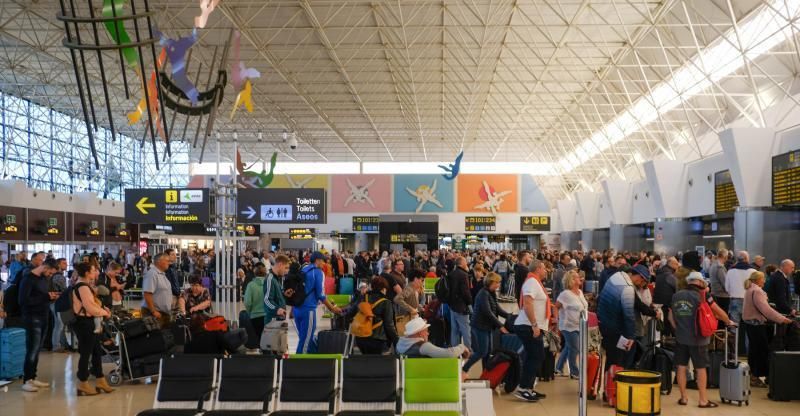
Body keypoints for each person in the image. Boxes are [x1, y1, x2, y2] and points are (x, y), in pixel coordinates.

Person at [669, 271, 735, 408]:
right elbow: (718, 311)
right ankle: (703, 400)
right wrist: (728, 321)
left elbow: (670, 317)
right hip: (698, 338)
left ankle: (683, 398)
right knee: (700, 368)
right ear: (699, 282)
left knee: (681, 367)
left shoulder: (676, 295)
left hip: (681, 337)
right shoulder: (703, 295)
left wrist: (679, 329)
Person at [742, 271, 793, 387]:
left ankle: (752, 376)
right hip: (757, 325)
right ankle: (756, 376)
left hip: (750, 324)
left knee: (754, 351)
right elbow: (766, 310)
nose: (764, 280)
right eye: (763, 278)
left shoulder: (749, 290)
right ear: (757, 280)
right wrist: (782, 319)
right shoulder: (757, 291)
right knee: (761, 351)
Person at [71, 262, 113, 396]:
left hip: (88, 321)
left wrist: (101, 309)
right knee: (86, 353)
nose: (96, 272)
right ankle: (82, 382)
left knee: (96, 351)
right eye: (94, 270)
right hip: (84, 323)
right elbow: (89, 307)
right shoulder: (82, 287)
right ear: (87, 273)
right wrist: (104, 313)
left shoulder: (85, 285)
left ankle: (100, 380)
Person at [597, 264, 650, 370]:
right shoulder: (628, 289)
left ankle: (608, 384)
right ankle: (615, 385)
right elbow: (629, 315)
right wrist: (631, 337)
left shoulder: (617, 276)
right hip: (616, 330)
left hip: (603, 324)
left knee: (610, 359)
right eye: (643, 282)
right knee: (618, 362)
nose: (641, 285)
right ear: (639, 277)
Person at [18, 258, 59, 392]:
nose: (50, 276)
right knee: (32, 350)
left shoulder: (43, 279)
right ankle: (27, 380)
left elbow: (41, 296)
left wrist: (49, 296)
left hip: (43, 316)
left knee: (37, 350)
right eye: (50, 273)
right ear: (45, 267)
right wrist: (46, 297)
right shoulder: (28, 279)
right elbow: (23, 301)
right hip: (32, 318)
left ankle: (32, 377)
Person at [513, 259, 550, 402]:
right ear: (537, 269)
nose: (546, 271)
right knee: (537, 356)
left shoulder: (535, 282)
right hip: (528, 326)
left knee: (533, 356)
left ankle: (527, 387)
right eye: (544, 268)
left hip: (531, 326)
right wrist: (534, 324)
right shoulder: (531, 282)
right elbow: (528, 303)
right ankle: (523, 388)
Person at [294, 252, 342, 353]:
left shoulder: (303, 269)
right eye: (322, 261)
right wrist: (332, 308)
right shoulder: (318, 272)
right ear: (317, 260)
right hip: (308, 310)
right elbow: (321, 295)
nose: (324, 263)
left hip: (297, 309)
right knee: (306, 341)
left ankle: (313, 362)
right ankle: (298, 364)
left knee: (306, 338)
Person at [464, 272, 509, 378]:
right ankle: (464, 368)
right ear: (491, 282)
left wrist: (511, 317)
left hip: (487, 326)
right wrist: (500, 326)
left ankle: (485, 374)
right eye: (497, 282)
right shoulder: (483, 294)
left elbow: (497, 309)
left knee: (488, 352)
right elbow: (488, 312)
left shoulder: (491, 293)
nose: (498, 285)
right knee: (482, 352)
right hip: (480, 326)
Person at [348, 276, 398, 354]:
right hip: (378, 339)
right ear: (384, 289)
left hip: (361, 338)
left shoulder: (363, 297)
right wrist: (396, 340)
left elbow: (351, 313)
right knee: (377, 364)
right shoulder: (386, 302)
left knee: (366, 361)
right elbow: (389, 325)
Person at [554, 270, 588, 379]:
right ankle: (574, 372)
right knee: (575, 348)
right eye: (577, 277)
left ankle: (558, 368)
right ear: (572, 280)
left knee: (569, 347)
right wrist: (556, 318)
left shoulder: (580, 292)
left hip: (580, 325)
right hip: (568, 326)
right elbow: (556, 306)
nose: (580, 278)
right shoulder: (565, 294)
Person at [396, 316, 470, 359]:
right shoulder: (423, 346)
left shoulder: (400, 343)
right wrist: (462, 347)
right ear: (420, 333)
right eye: (426, 331)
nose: (428, 333)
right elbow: (448, 354)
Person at [141, 253, 173, 327]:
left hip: (163, 313)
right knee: (155, 337)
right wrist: (153, 311)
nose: (169, 263)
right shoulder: (152, 274)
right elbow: (147, 294)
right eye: (167, 260)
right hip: (154, 314)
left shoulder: (162, 274)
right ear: (159, 261)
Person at [447, 256, 473, 350]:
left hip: (452, 306)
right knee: (466, 329)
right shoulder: (463, 275)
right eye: (465, 262)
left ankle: (455, 350)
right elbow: (465, 292)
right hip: (461, 307)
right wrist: (470, 302)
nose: (467, 263)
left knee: (454, 330)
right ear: (461, 263)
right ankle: (468, 350)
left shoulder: (451, 273)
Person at [725, 251, 755, 324]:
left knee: (734, 326)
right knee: (749, 326)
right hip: (749, 301)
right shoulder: (753, 272)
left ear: (737, 259)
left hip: (735, 300)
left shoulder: (730, 271)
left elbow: (726, 288)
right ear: (747, 259)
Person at [394, 269, 424, 336]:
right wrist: (411, 309)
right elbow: (397, 299)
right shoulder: (409, 288)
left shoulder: (413, 288)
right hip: (407, 319)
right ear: (416, 279)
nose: (422, 282)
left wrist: (419, 307)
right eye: (422, 280)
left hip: (411, 319)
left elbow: (410, 301)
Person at [49, 258, 68, 352]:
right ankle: (56, 346)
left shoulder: (56, 276)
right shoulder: (59, 277)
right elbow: (64, 291)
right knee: (59, 324)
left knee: (59, 324)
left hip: (54, 302)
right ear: (58, 265)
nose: (66, 265)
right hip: (56, 302)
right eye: (64, 263)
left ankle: (61, 344)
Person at [262, 255, 288, 327]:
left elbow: (276, 296)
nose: (286, 271)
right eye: (285, 267)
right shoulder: (270, 279)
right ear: (280, 265)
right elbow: (267, 300)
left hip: (279, 319)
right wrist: (277, 309)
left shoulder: (277, 278)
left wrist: (284, 294)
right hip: (272, 321)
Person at [708, 249, 730, 319]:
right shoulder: (720, 267)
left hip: (715, 294)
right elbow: (725, 283)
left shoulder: (713, 265)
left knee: (717, 317)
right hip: (722, 296)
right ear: (725, 256)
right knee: (723, 318)